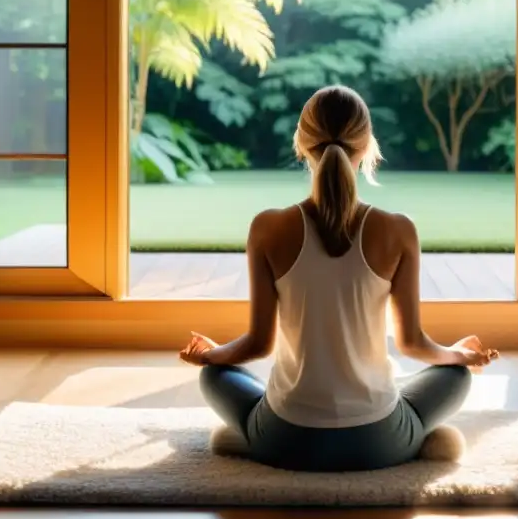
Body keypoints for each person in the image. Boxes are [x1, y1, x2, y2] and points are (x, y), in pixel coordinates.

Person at [179, 85, 499, 472]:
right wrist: (458, 355)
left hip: (285, 440)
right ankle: (413, 439)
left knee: (215, 377)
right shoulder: (399, 230)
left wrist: (210, 354)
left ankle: (252, 435)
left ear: (301, 143)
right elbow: (412, 343)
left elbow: (258, 344)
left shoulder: (267, 227)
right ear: (366, 146)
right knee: (456, 377)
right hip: (378, 442)